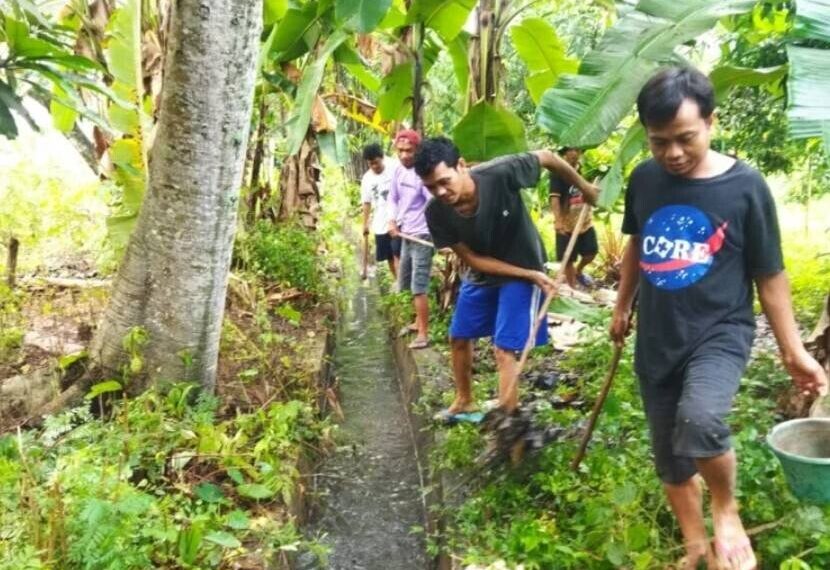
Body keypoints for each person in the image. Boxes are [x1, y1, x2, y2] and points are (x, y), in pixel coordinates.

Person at [609, 67, 828, 570]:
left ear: (711, 121)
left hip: (720, 332)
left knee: (701, 420)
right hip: (658, 338)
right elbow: (637, 245)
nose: (673, 154)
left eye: (685, 138)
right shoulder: (644, 179)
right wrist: (622, 306)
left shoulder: (745, 186)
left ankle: (726, 510)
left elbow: (771, 276)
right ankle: (696, 548)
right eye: (659, 142)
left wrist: (794, 351)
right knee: (670, 453)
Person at [416, 137, 599, 418]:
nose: (440, 192)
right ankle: (464, 399)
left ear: (461, 166)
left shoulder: (500, 173)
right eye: (431, 187)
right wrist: (529, 274)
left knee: (504, 348)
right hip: (487, 271)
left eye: (444, 181)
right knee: (459, 337)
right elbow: (473, 259)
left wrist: (585, 188)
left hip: (523, 264)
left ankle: (507, 422)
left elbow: (548, 157)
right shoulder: (436, 213)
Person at [387, 129, 435, 349]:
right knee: (405, 280)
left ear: (417, 150)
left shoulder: (423, 173)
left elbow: (433, 204)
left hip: (422, 235)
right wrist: (392, 221)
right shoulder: (398, 172)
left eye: (409, 151)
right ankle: (417, 322)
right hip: (406, 232)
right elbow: (393, 198)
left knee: (419, 286)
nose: (405, 155)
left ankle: (424, 333)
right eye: (401, 150)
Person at [550, 147, 598, 289]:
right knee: (568, 258)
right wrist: (558, 220)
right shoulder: (558, 174)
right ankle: (572, 288)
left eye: (578, 150)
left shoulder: (585, 171)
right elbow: (554, 199)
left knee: (591, 252)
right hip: (566, 222)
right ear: (564, 154)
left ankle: (579, 271)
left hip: (584, 220)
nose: (575, 153)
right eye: (571, 150)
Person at [360, 142, 399, 279]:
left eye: (376, 162)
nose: (374, 167)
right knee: (389, 256)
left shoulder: (396, 167)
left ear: (382, 157)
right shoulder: (367, 178)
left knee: (398, 253)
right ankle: (400, 285)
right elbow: (366, 202)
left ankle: (405, 285)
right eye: (371, 164)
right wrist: (365, 223)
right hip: (380, 222)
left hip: (399, 219)